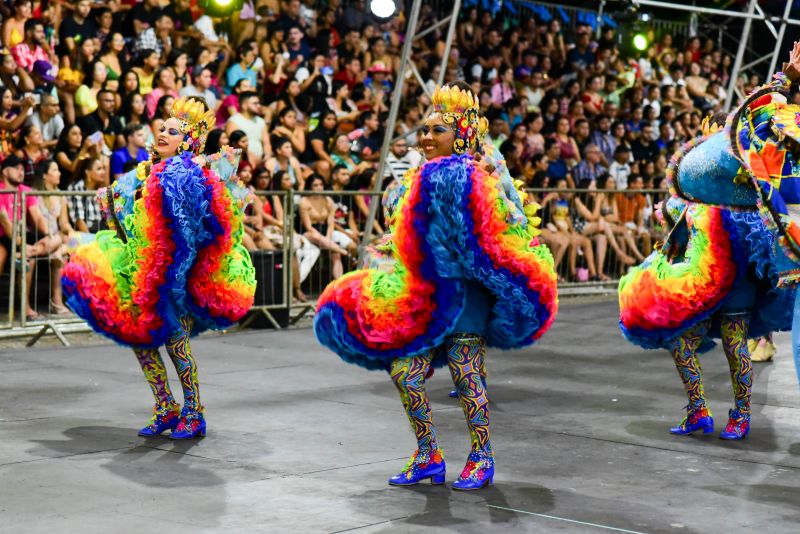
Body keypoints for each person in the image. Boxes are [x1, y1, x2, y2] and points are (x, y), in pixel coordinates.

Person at [315, 83, 558, 490]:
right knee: (405, 372)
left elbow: (509, 227)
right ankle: (428, 454)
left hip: (466, 294)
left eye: (436, 130)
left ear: (460, 134)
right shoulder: (414, 178)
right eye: (423, 130)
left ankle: (482, 456)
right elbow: (410, 233)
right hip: (426, 293)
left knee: (466, 373)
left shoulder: (483, 176)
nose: (426, 137)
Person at [62, 97, 256, 440]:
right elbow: (119, 204)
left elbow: (208, 224)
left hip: (173, 275)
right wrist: (114, 198)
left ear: (188, 141)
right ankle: (165, 406)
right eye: (162, 128)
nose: (162, 133)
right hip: (138, 267)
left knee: (176, 343)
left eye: (172, 131)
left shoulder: (193, 172)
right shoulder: (145, 170)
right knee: (141, 340)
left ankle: (194, 412)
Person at [226, 91, 271, 167]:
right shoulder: (234, 121)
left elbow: (266, 142)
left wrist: (267, 156)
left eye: (259, 103)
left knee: (271, 163)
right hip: (243, 159)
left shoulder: (261, 121)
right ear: (244, 105)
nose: (259, 106)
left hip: (260, 159)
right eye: (255, 103)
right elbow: (235, 145)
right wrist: (252, 157)